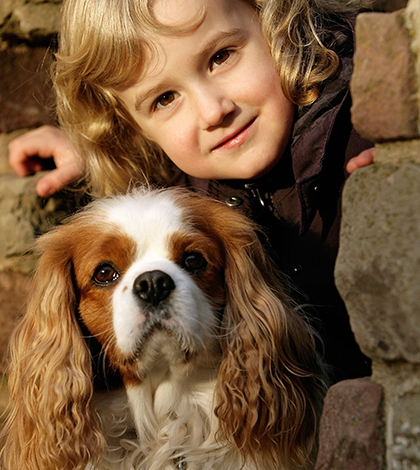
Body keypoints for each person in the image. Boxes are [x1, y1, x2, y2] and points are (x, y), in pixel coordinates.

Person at [9, 0, 375, 383]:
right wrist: (89, 150)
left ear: (274, 19)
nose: (212, 111)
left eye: (221, 57)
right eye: (164, 99)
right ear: (132, 128)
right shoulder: (183, 180)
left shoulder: (372, 117)